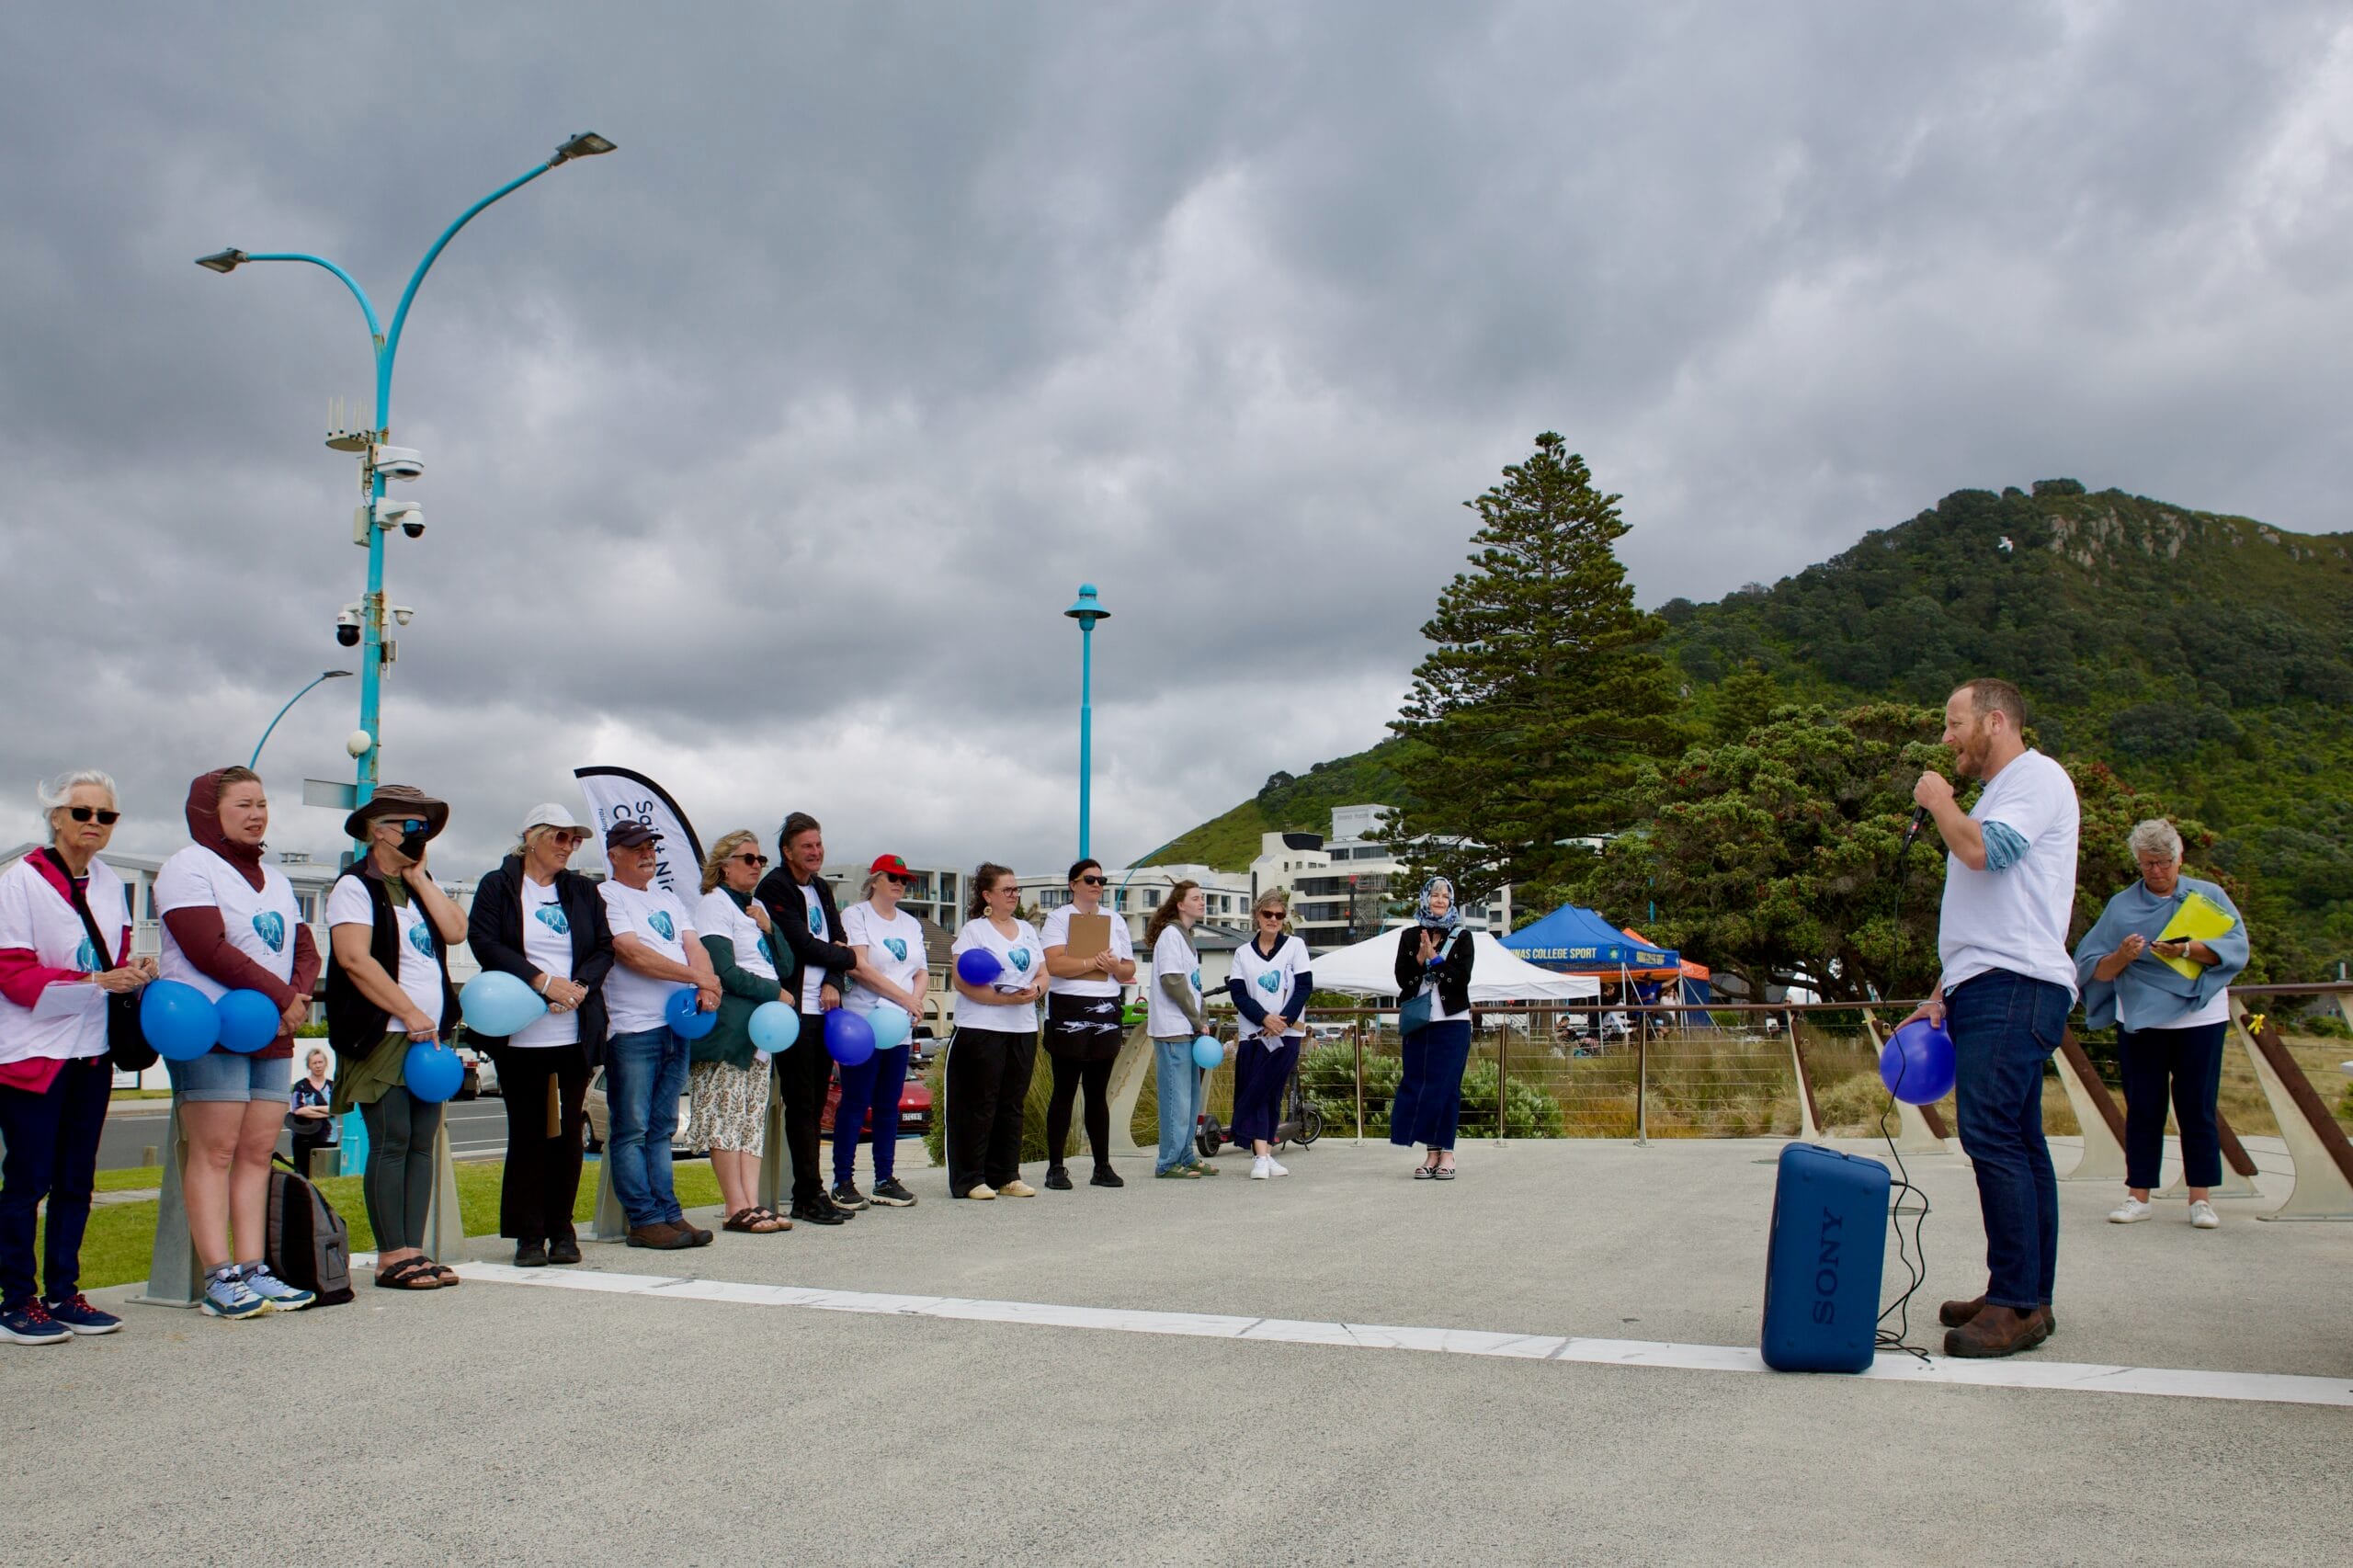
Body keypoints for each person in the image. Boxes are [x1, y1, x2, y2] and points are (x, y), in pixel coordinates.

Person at [1903, 677, 2080, 1359]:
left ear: (1995, 721)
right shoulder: (2000, 793)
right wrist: (1942, 990)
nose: (1946, 738)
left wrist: (1940, 801)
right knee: (2021, 1143)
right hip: (1991, 983)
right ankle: (2025, 1291)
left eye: (1955, 724)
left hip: (2015, 985)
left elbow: (1985, 853)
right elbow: (1990, 912)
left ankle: (2016, 1304)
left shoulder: (2036, 778)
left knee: (1994, 1138)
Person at [154, 766, 323, 1317]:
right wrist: (281, 996)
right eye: (243, 805)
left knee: (256, 1151)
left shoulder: (276, 879)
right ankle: (218, 1276)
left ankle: (254, 1268)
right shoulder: (188, 867)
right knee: (217, 1150)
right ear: (210, 812)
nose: (256, 815)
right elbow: (208, 948)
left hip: (271, 1030)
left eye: (262, 804)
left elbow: (304, 948)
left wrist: (296, 999)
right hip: (213, 1028)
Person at [0, 770, 153, 1344]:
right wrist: (96, 981)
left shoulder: (111, 883)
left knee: (75, 1180)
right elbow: (13, 974)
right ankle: (16, 1300)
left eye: (105, 815)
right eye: (82, 812)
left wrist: (133, 971)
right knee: (27, 1180)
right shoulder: (21, 881)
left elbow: (113, 957)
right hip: (33, 1053)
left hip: (92, 1050)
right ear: (56, 818)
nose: (94, 823)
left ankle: (64, 1292)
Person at [325, 785, 468, 1292]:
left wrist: (420, 878)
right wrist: (407, 1011)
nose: (419, 835)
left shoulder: (415, 887)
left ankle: (415, 1248)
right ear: (377, 831)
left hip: (428, 1039)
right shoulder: (354, 887)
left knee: (422, 1143)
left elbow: (456, 931)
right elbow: (354, 959)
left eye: (423, 827)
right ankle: (393, 1255)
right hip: (382, 1034)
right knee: (392, 1141)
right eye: (410, 826)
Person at [2074, 818, 2248, 1232]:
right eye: (2147, 863)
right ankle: (2138, 1196)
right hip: (2139, 1016)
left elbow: (2236, 949)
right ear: (2137, 862)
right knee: (2144, 1108)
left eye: (2164, 862)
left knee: (2197, 1107)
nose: (2156, 870)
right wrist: (2121, 957)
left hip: (2199, 1015)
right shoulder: (2121, 907)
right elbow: (2091, 968)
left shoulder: (2208, 896)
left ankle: (2200, 1199)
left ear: (2179, 858)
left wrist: (2185, 949)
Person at [465, 803, 615, 1267]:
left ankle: (562, 1228)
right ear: (532, 837)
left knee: (567, 1135)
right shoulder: (498, 885)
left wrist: (578, 987)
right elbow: (485, 942)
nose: (569, 847)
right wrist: (541, 982)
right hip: (520, 1035)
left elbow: (604, 946)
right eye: (561, 837)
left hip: (571, 1033)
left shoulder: (582, 891)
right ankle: (528, 1234)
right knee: (529, 1133)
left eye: (575, 840)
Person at [598, 820, 720, 1251]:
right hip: (634, 1027)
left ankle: (668, 1212)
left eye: (650, 846)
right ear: (614, 855)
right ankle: (643, 1219)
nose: (647, 854)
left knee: (662, 1126)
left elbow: (694, 945)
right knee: (632, 1127)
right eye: (636, 848)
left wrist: (707, 983)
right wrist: (697, 978)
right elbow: (631, 953)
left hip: (676, 1024)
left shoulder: (668, 898)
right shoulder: (608, 895)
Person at [754, 812, 858, 1225]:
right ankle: (808, 1194)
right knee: (800, 1104)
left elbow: (837, 939)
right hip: (791, 1011)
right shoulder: (774, 887)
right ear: (787, 851)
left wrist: (834, 977)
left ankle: (811, 1191)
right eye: (806, 847)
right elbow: (799, 944)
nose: (815, 853)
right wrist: (846, 959)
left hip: (824, 1009)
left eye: (818, 845)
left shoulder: (821, 888)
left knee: (816, 1106)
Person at [691, 830, 789, 1235]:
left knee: (751, 1117)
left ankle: (752, 1201)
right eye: (748, 859)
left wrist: (770, 929)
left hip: (760, 1031)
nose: (756, 866)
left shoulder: (754, 907)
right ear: (724, 865)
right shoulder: (714, 905)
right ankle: (734, 1204)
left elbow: (785, 965)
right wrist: (774, 994)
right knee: (726, 1114)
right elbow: (723, 971)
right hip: (730, 1028)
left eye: (760, 860)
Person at [833, 854, 930, 1210]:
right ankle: (842, 1180)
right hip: (865, 1020)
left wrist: (914, 1002)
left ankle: (884, 1179)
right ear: (875, 880)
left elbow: (921, 971)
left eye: (904, 880)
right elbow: (859, 966)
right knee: (856, 1101)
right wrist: (904, 998)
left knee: (889, 1105)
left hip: (898, 1025)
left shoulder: (911, 923)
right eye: (892, 877)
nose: (899, 884)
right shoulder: (856, 915)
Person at [944, 863, 1044, 1200]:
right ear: (988, 895)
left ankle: (1007, 1174)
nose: (1014, 895)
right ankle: (970, 1177)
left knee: (1011, 1102)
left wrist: (1036, 990)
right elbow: (962, 980)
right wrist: (1005, 999)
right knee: (978, 1102)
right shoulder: (975, 930)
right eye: (1007, 890)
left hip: (1022, 1026)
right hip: (982, 1026)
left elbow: (1043, 972)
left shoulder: (1027, 930)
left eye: (1016, 890)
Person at [1040, 858, 1138, 1191]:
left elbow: (1128, 969)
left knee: (1098, 1093)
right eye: (1090, 879)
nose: (1097, 885)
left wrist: (1112, 967)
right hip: (1068, 1007)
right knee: (1064, 1090)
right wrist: (1090, 962)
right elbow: (1055, 964)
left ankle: (1102, 1166)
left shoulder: (1115, 919)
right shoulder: (1058, 918)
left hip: (1106, 1008)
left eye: (1101, 880)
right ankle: (1056, 1167)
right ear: (1073, 884)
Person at [1388, 878, 1477, 1180]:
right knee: (1422, 1085)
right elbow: (1403, 979)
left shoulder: (1462, 937)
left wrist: (1436, 959)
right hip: (1419, 1022)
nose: (1439, 900)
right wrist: (1419, 958)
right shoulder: (1410, 936)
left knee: (1447, 1087)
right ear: (1425, 899)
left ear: (1451, 901)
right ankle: (1431, 1153)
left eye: (1444, 896)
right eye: (1434, 895)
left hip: (1453, 1022)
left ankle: (1447, 1152)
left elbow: (1461, 979)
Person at [1228, 891, 1313, 1180]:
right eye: (1268, 914)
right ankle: (1262, 1155)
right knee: (1257, 1089)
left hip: (1286, 1035)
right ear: (1257, 915)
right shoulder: (1242, 954)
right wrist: (1264, 1018)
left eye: (1279, 915)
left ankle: (1263, 1152)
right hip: (1254, 1034)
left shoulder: (1295, 947)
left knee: (1272, 1090)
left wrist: (1282, 1020)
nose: (1273, 920)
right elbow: (1239, 994)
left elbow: (1303, 987)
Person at [1142, 881, 1212, 1179]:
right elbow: (1173, 981)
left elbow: (1194, 985)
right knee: (1176, 1099)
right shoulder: (1171, 935)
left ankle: (1185, 1155)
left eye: (1202, 897)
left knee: (1191, 1098)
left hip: (1189, 1029)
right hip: (1173, 1029)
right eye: (1195, 898)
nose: (1202, 902)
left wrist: (1202, 1018)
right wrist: (1196, 1019)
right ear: (1180, 904)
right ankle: (1168, 1162)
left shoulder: (1186, 937)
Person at [287, 1047, 338, 1179]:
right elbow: (298, 1109)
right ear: (309, 1065)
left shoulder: (333, 1086)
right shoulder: (301, 1086)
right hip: (303, 1137)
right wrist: (326, 1111)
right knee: (303, 1175)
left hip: (328, 1137)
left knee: (327, 1175)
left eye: (320, 1062)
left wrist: (311, 1108)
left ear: (325, 1063)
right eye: (314, 1063)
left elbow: (336, 1109)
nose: (318, 1066)